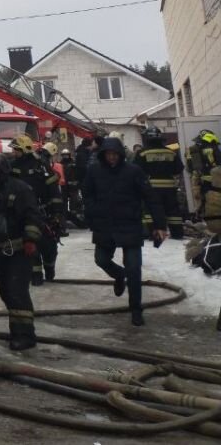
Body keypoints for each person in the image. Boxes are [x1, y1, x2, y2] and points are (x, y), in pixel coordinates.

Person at [82, 137, 170, 326]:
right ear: (103, 154)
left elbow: (150, 197)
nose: (112, 158)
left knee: (133, 268)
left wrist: (159, 225)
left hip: (129, 225)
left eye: (115, 154)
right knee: (101, 259)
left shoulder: (133, 171)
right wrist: (92, 211)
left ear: (121, 154)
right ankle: (118, 275)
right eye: (108, 154)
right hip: (104, 225)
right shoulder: (94, 171)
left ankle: (136, 309)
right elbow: (87, 193)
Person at [0, 152, 42, 351]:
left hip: (19, 251)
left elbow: (33, 216)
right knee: (6, 292)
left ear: (2, 168)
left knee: (17, 292)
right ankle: (17, 331)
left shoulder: (20, 189)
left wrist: (30, 239)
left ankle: (25, 335)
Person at [10, 134, 64, 284]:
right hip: (24, 213)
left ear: (24, 150)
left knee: (49, 247)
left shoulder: (41, 166)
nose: (13, 153)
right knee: (29, 243)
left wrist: (57, 213)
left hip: (44, 213)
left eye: (16, 150)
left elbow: (54, 192)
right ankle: (35, 275)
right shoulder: (12, 167)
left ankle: (49, 266)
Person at [133, 127, 185, 240]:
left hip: (151, 187)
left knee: (151, 210)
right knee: (173, 211)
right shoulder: (171, 152)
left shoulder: (142, 153)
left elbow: (135, 170)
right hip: (169, 187)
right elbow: (179, 168)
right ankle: (177, 233)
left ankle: (153, 234)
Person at [189, 130, 221, 214]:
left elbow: (190, 168)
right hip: (217, 182)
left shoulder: (195, 149)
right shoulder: (216, 148)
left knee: (206, 205)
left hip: (204, 183)